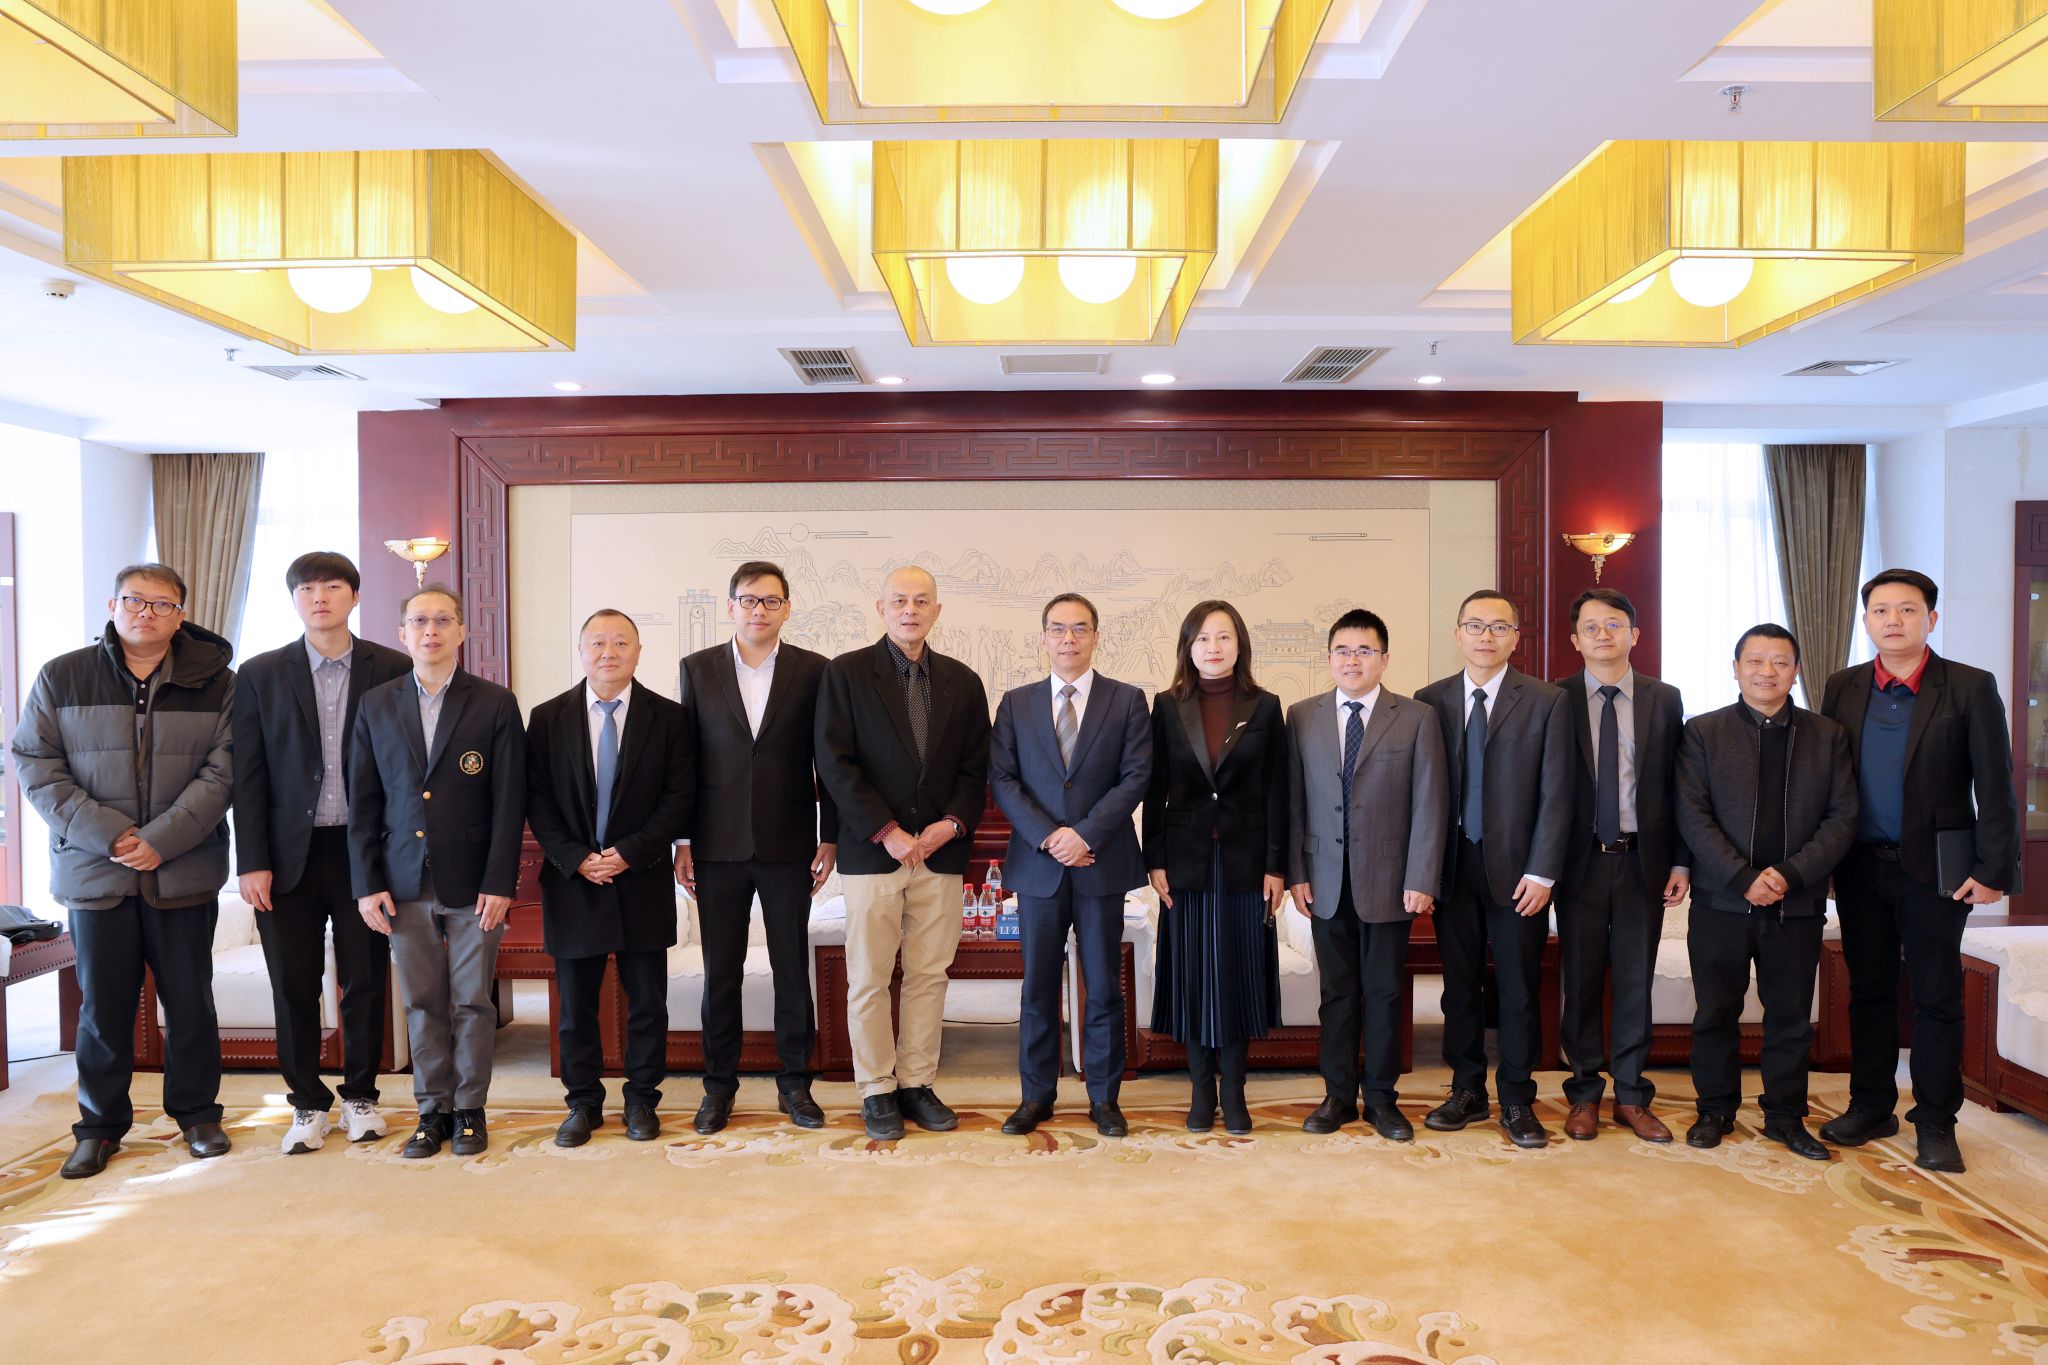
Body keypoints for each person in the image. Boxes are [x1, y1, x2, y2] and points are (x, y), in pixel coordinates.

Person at [11, 563, 235, 1179]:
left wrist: (161, 839)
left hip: (183, 869)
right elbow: (35, 763)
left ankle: (198, 1116)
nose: (146, 613)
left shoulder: (219, 682)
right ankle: (99, 1127)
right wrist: (110, 835)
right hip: (94, 870)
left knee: (190, 1003)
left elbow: (226, 769)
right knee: (103, 1010)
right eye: (135, 601)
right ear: (113, 606)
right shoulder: (63, 675)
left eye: (162, 604)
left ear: (181, 616)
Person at [1817, 569, 2019, 1174]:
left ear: (1931, 619)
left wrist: (1994, 868)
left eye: (1907, 610)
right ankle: (1871, 1105)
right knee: (1869, 992)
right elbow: (1828, 777)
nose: (1894, 620)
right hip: (1860, 867)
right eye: (1881, 610)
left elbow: (1996, 784)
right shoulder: (1843, 686)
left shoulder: (1969, 686)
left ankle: (1935, 1121)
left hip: (1938, 872)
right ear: (1867, 621)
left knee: (1936, 997)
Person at [232, 551, 412, 1155]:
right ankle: (307, 1102)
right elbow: (247, 773)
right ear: (294, 600)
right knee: (293, 983)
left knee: (366, 979)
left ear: (354, 596)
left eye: (332, 586)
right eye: (307, 589)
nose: (319, 597)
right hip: (287, 858)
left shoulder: (393, 667)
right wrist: (251, 860)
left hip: (366, 853)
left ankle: (361, 1096)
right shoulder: (259, 673)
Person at [349, 586, 526, 1159]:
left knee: (473, 1002)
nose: (431, 631)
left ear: (462, 632)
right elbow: (363, 802)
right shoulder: (376, 704)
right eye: (420, 621)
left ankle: (470, 1110)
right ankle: (432, 1112)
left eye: (443, 620)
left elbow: (509, 801)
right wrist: (367, 884)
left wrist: (500, 882)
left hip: (474, 885)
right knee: (422, 1003)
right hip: (402, 882)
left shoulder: (494, 702)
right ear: (402, 633)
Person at [815, 566, 990, 1141]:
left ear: (936, 611)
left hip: (939, 854)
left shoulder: (963, 681)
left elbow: (975, 768)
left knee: (928, 975)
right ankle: (876, 1088)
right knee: (868, 976)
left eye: (921, 601)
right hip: (873, 854)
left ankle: (917, 1083)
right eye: (899, 601)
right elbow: (834, 764)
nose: (910, 610)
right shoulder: (845, 674)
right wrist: (886, 829)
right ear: (881, 608)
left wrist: (950, 825)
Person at [1675, 624, 1857, 1161]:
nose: (1767, 671)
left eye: (1780, 662)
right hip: (1720, 900)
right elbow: (1692, 814)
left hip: (1796, 903)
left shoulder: (1828, 735)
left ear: (1796, 671)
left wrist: (1790, 875)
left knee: (1791, 1017)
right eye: (1755, 661)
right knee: (1715, 1012)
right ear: (1736, 669)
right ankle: (1715, 1109)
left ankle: (1785, 1116)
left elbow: (1842, 817)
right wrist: (1742, 877)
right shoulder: (1703, 732)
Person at [676, 561, 838, 1134]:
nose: (759, 610)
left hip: (787, 843)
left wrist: (830, 834)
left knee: (792, 968)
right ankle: (718, 1088)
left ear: (787, 608)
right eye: (748, 600)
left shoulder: (814, 671)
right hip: (716, 846)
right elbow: (686, 761)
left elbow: (828, 759)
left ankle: (796, 1084)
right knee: (722, 971)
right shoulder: (697, 669)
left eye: (770, 601)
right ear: (731, 607)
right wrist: (683, 840)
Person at [527, 609, 693, 1148]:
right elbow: (537, 799)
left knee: (647, 1002)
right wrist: (575, 857)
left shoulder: (669, 718)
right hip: (574, 880)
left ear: (638, 651)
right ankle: (583, 1102)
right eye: (597, 642)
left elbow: (679, 797)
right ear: (581, 651)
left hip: (641, 877)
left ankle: (642, 1099)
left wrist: (631, 853)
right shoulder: (547, 718)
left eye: (621, 642)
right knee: (576, 1006)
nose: (609, 652)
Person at [990, 592, 1152, 1139]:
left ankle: (1104, 1098)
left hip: (1100, 862)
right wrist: (1049, 837)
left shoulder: (1127, 700)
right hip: (1039, 867)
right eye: (1058, 629)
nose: (1068, 638)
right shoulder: (1016, 703)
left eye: (1079, 628)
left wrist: (1083, 834)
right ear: (1043, 638)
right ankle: (1035, 1096)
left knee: (1103, 986)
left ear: (1095, 636)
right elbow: (1003, 779)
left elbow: (1136, 776)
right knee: (1037, 987)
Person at [1416, 589, 1573, 1148]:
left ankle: (1516, 1098)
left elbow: (1559, 792)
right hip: (1452, 865)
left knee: (1517, 988)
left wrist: (1543, 872)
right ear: (1458, 633)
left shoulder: (1547, 701)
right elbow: (1423, 791)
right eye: (1476, 625)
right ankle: (1466, 1090)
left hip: (1520, 874)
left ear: (1515, 637)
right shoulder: (1429, 700)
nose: (1486, 636)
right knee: (1458, 987)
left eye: (1499, 627)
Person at [1287, 608, 1446, 1142]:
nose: (1352, 660)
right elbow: (1294, 802)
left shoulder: (1417, 717)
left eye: (1364, 651)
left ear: (1384, 658)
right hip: (1324, 881)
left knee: (1384, 994)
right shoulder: (1302, 716)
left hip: (1391, 881)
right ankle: (1336, 1096)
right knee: (1336, 994)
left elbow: (1430, 803)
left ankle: (1380, 1098)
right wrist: (1297, 872)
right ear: (1330, 657)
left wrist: (1422, 875)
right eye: (1342, 651)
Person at [1143, 599, 1288, 1137]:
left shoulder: (1266, 706)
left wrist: (1277, 865)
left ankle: (1235, 1090)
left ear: (1239, 645)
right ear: (1188, 647)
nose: (1213, 647)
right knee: (1193, 976)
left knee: (1239, 975)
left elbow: (1278, 790)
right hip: (1187, 863)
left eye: (1223, 637)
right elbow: (1154, 788)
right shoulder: (1166, 705)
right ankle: (1201, 1089)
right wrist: (1154, 859)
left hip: (1247, 864)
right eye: (1202, 638)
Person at [1553, 588, 1690, 1144]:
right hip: (1579, 863)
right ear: (1575, 639)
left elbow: (1680, 787)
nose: (1602, 634)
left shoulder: (1665, 698)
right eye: (1591, 626)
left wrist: (1681, 861)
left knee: (1636, 982)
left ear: (1635, 634)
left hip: (1642, 863)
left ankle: (1632, 1095)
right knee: (1581, 981)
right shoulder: (1555, 698)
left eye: (1614, 625)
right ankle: (1584, 1093)